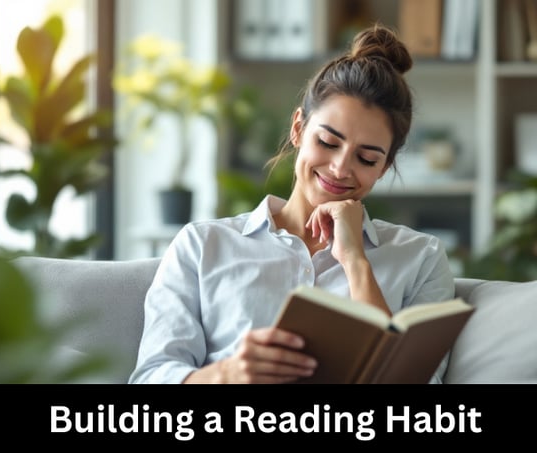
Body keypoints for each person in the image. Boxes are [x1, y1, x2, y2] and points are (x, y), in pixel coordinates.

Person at [129, 24, 455, 384]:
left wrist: (356, 262)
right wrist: (227, 374)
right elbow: (151, 377)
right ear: (298, 128)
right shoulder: (202, 246)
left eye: (366, 158)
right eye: (329, 142)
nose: (340, 168)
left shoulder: (422, 257)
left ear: (385, 167)